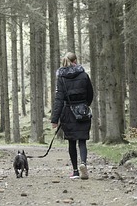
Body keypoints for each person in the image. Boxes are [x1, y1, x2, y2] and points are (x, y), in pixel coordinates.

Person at [50, 51, 94, 179]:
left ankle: (75, 171)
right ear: (76, 61)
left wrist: (55, 119)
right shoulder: (84, 75)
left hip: (68, 113)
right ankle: (83, 164)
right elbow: (90, 94)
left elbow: (59, 99)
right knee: (82, 140)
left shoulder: (61, 78)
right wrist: (85, 105)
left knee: (71, 142)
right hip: (82, 111)